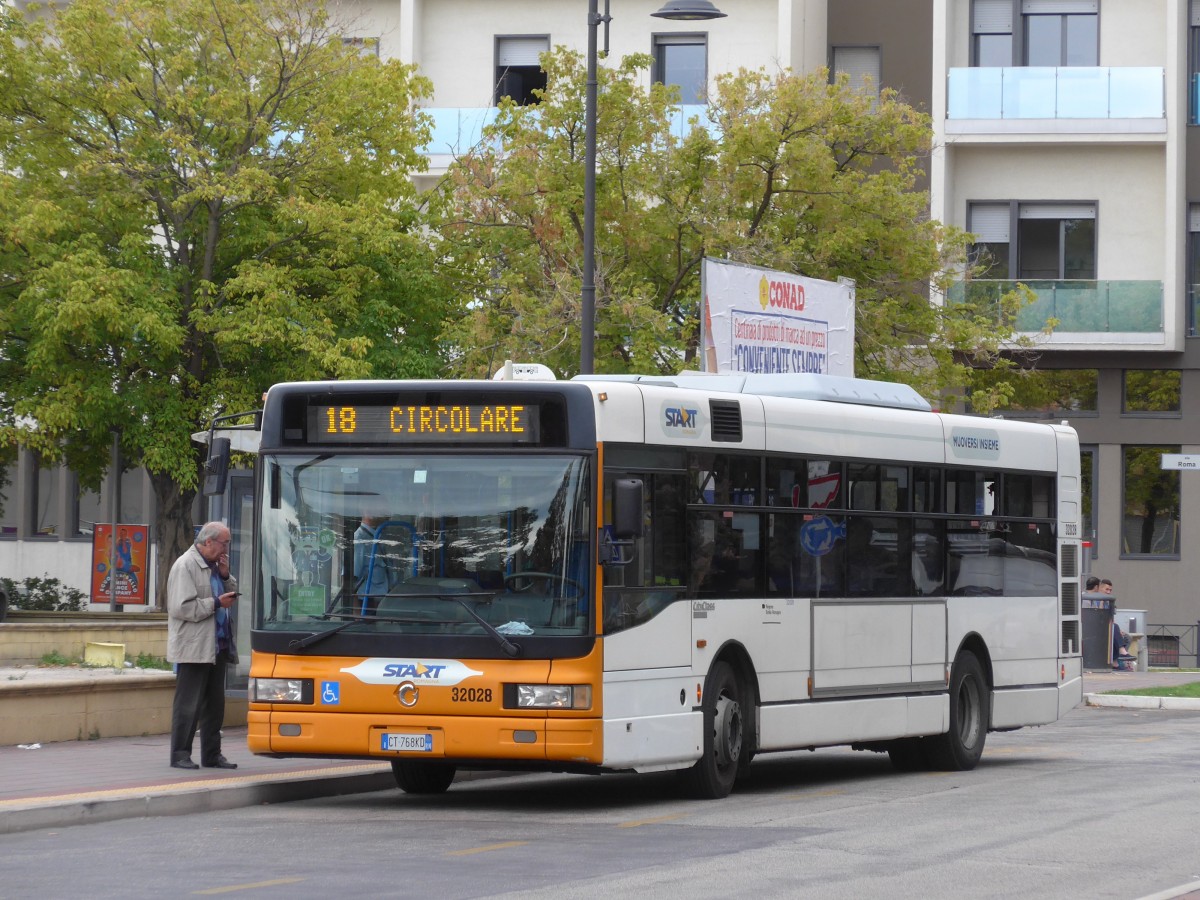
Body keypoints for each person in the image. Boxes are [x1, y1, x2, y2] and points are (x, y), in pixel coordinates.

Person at [166, 521, 239, 770]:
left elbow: (229, 592)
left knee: (215, 705)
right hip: (194, 647)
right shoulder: (185, 565)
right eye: (224, 543)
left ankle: (212, 754)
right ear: (208, 542)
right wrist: (216, 604)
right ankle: (179, 754)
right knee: (188, 704)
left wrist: (226, 576)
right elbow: (181, 607)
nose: (226, 548)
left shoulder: (214, 566)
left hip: (217, 645)